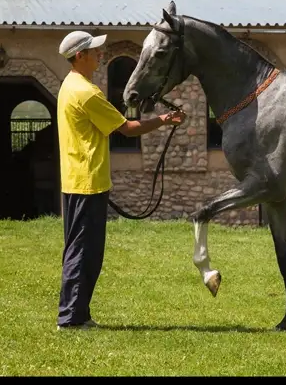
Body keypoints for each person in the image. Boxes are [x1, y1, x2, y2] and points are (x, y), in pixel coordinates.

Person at [55, 31, 187, 330]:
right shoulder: (86, 93)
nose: (100, 54)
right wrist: (164, 120)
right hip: (87, 182)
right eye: (94, 51)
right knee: (83, 251)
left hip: (78, 180)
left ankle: (78, 314)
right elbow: (126, 128)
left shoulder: (69, 86)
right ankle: (71, 318)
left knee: (82, 249)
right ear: (79, 56)